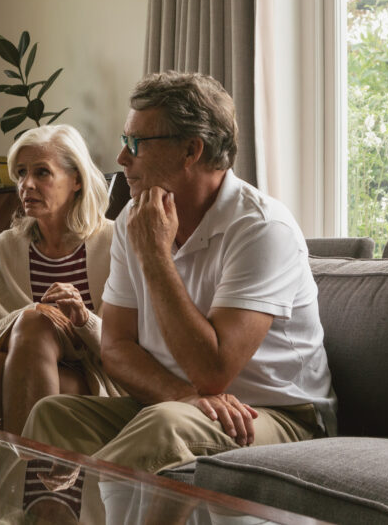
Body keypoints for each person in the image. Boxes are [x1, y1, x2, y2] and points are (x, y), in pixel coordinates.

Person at [22, 72, 336, 474]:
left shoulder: (261, 228)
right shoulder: (136, 216)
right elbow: (116, 346)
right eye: (124, 142)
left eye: (135, 144)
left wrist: (155, 256)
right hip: (181, 403)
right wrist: (181, 395)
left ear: (191, 150)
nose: (121, 159)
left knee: (166, 426)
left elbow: (213, 372)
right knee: (55, 414)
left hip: (277, 415)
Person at [0, 124, 121, 435]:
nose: (26, 185)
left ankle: (18, 476)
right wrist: (28, 314)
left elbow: (131, 348)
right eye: (21, 174)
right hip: (23, 373)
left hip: (101, 383)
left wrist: (83, 321)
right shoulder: (5, 248)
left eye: (42, 173)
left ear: (77, 181)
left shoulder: (115, 242)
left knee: (33, 326)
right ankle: (24, 475)